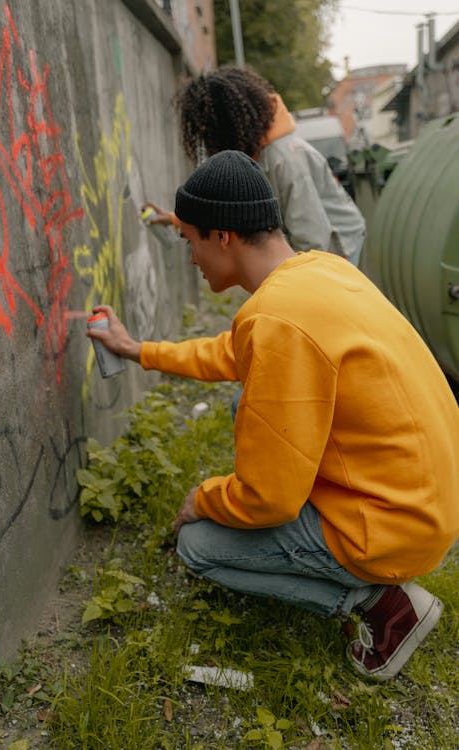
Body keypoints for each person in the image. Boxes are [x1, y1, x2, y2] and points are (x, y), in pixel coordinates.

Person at [90, 150, 459, 681]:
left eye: (189, 238)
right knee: (248, 399)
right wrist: (138, 350)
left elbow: (269, 499)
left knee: (201, 546)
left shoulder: (278, 321)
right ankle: (372, 580)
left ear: (224, 237)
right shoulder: (317, 271)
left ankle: (380, 603)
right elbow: (232, 352)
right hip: (427, 495)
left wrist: (203, 499)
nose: (190, 256)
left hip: (392, 524)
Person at [144, 65, 366, 266]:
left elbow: (313, 239)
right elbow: (230, 209)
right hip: (316, 249)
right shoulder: (255, 155)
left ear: (226, 126)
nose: (208, 141)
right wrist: (177, 219)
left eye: (209, 132)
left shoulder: (285, 159)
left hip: (342, 248)